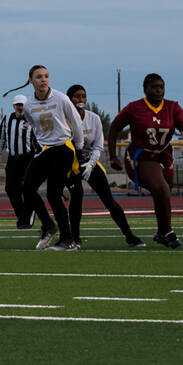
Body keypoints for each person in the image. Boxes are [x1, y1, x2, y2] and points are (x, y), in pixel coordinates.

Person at [108, 73, 183, 248]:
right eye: (154, 87)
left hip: (164, 155)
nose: (158, 91)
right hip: (141, 156)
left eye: (161, 87)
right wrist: (112, 155)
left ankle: (161, 232)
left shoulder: (172, 107)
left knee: (163, 194)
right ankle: (168, 232)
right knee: (162, 189)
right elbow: (114, 127)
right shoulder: (135, 108)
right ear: (145, 89)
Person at [5, 66, 85, 250]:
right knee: (27, 187)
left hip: (63, 148)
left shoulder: (60, 98)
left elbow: (76, 123)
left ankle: (68, 239)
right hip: (45, 150)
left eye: (46, 76)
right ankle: (49, 225)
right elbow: (35, 128)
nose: (43, 80)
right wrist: (40, 147)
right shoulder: (29, 106)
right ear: (31, 80)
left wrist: (79, 149)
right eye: (39, 77)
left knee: (53, 194)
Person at [66, 84, 144, 248]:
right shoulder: (63, 119)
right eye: (77, 96)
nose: (81, 99)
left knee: (109, 200)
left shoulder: (93, 118)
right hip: (70, 164)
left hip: (90, 162)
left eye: (83, 96)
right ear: (69, 99)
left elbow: (98, 146)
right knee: (77, 195)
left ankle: (129, 236)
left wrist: (90, 164)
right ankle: (75, 238)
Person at [0, 94, 38, 228]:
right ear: (14, 106)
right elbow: (1, 137)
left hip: (28, 159)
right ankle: (22, 215)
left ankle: (27, 217)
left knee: (28, 189)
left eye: (22, 105)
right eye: (17, 105)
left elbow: (38, 139)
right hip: (13, 159)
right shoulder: (7, 118)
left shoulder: (31, 119)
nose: (19, 107)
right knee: (11, 189)